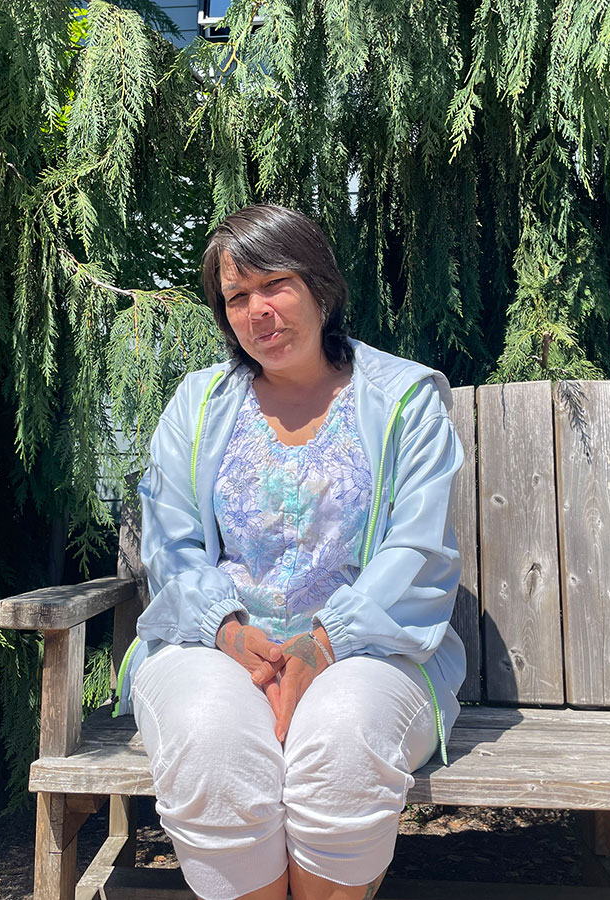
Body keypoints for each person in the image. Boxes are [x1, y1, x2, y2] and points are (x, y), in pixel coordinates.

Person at [112, 204, 466, 900]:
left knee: (343, 742)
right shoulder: (197, 405)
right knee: (211, 739)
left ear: (319, 286)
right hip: (214, 646)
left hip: (373, 650)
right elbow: (170, 544)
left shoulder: (406, 400)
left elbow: (419, 550)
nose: (258, 312)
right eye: (236, 298)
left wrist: (326, 641)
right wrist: (226, 628)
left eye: (274, 284)